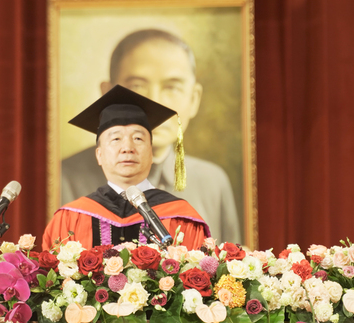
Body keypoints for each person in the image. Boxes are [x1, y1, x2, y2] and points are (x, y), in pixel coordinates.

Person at [61, 29, 241, 243]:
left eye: (172, 87)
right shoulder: (65, 178)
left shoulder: (212, 181)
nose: (155, 101)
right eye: (137, 86)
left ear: (194, 99)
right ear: (107, 94)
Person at [43, 85, 210, 251]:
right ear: (99, 155)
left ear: (151, 154)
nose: (127, 147)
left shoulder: (181, 217)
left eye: (138, 138)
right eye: (116, 139)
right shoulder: (70, 218)